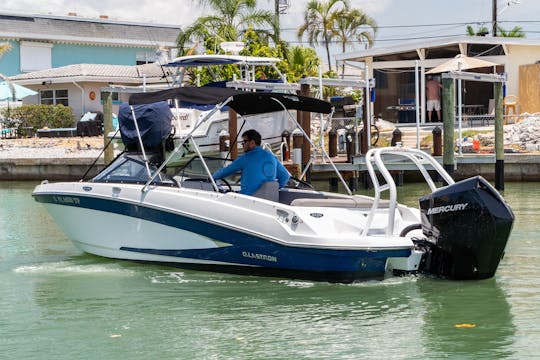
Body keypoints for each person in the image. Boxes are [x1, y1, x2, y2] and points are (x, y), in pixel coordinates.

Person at [212, 129, 290, 195]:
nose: (242, 144)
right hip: (269, 201)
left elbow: (225, 171)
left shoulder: (245, 158)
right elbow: (285, 176)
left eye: (244, 141)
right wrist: (271, 191)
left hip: (248, 201)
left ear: (252, 142)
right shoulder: (271, 157)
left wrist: (211, 178)